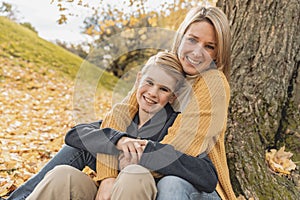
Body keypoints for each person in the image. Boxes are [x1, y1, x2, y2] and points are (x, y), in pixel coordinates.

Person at [7, 5, 236, 200]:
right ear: (181, 36)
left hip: (189, 181)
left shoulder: (212, 83)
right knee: (81, 145)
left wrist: (121, 159)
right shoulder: (163, 70)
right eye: (192, 40)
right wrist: (109, 171)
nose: (197, 52)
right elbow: (117, 117)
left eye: (209, 46)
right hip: (140, 167)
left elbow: (176, 152)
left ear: (217, 53)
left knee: (168, 183)